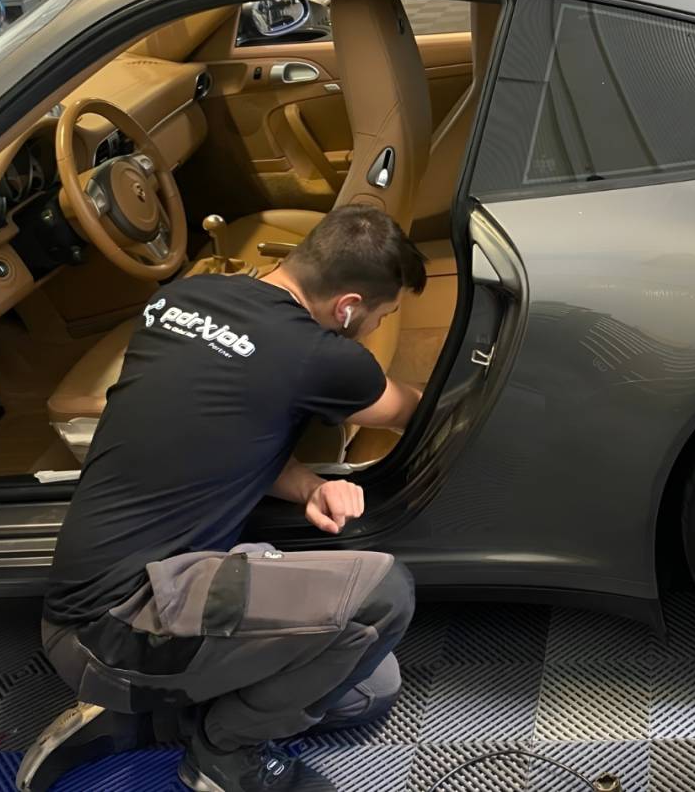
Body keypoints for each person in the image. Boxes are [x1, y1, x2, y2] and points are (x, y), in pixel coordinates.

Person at [30, 205, 427, 792]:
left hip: (87, 607)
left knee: (370, 685)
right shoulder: (324, 359)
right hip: (124, 621)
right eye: (380, 316)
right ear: (347, 307)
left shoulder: (185, 299)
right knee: (382, 600)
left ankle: (137, 718)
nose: (374, 328)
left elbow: (226, 432)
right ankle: (225, 757)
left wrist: (311, 486)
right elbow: (414, 411)